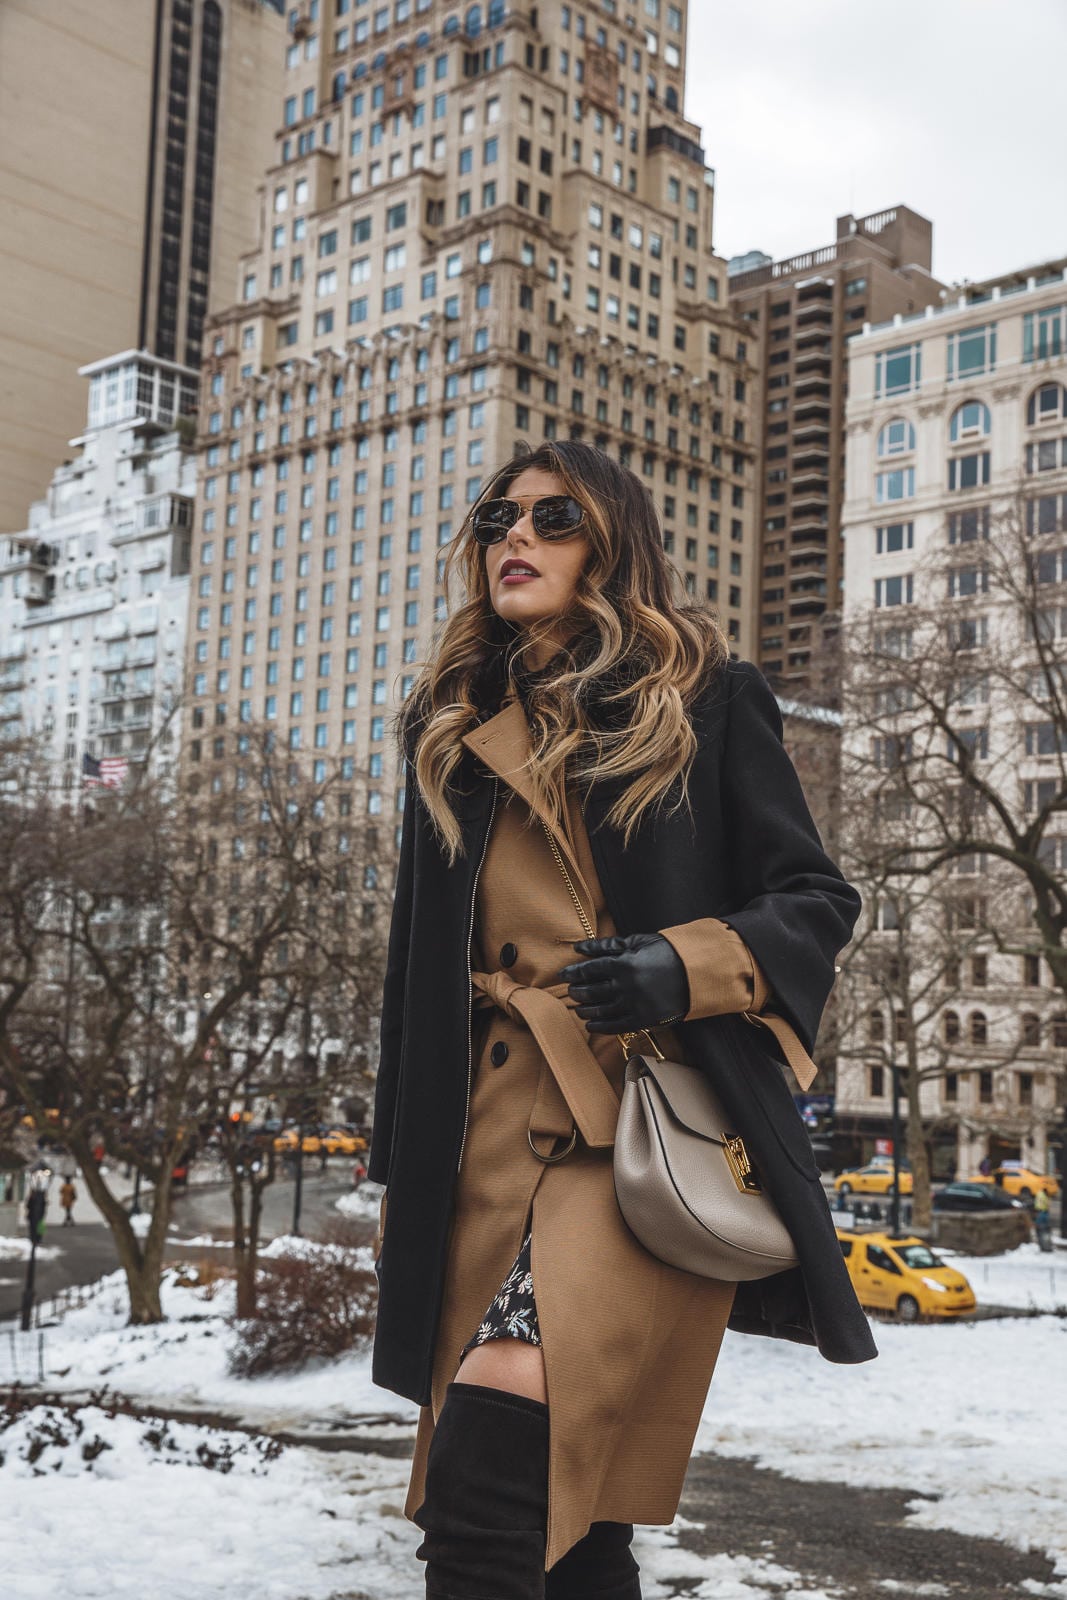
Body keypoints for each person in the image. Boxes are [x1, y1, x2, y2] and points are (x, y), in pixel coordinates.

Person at [369, 442, 875, 1599]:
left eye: (552, 518)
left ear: (611, 541)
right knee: (574, 1517)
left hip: (635, 1126)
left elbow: (813, 899)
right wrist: (397, 1159)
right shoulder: (450, 727)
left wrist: (680, 966)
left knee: (491, 1465)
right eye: (497, 517)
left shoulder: (703, 693)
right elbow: (416, 967)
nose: (515, 538)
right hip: (480, 1144)